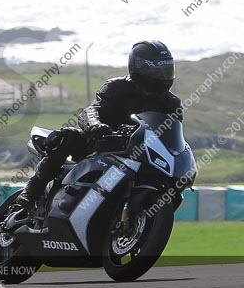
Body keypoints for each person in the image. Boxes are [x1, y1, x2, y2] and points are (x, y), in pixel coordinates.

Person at [11, 40, 183, 219]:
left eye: (166, 69)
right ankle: (29, 196)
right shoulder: (116, 87)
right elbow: (92, 110)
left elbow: (173, 134)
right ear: (139, 67)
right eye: (157, 70)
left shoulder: (172, 103)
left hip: (138, 151)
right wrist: (95, 125)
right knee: (68, 137)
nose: (162, 75)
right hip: (101, 142)